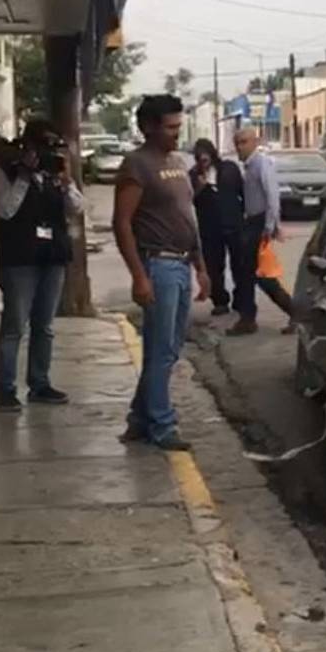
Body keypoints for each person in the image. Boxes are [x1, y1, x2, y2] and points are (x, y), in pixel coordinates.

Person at [114, 95, 210, 451]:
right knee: (159, 350)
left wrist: (201, 266)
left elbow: (188, 216)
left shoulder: (177, 162)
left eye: (178, 127)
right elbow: (122, 223)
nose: (176, 134)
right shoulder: (136, 166)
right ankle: (161, 424)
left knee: (169, 349)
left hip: (182, 264)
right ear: (148, 127)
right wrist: (139, 275)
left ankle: (140, 419)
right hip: (158, 266)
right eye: (170, 128)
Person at [0, 119, 84, 413]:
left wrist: (66, 182)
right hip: (19, 259)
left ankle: (39, 383)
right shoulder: (5, 173)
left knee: (44, 325)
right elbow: (5, 210)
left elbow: (77, 208)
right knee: (15, 325)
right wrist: (25, 176)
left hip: (51, 256)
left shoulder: (54, 174)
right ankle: (4, 389)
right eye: (43, 146)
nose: (47, 154)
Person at [229, 126, 294, 335]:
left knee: (262, 275)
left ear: (255, 142)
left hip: (259, 225)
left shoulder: (261, 163)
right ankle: (247, 319)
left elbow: (272, 197)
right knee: (247, 273)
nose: (240, 147)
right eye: (237, 143)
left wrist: (271, 227)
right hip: (251, 223)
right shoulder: (248, 167)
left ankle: (297, 314)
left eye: (244, 142)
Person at [188, 139, 244, 317]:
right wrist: (200, 187)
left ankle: (241, 299)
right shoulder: (193, 175)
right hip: (209, 227)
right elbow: (188, 199)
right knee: (213, 265)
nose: (204, 158)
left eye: (206, 154)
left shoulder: (228, 168)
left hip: (233, 223)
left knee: (239, 264)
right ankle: (220, 301)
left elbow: (242, 191)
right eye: (200, 155)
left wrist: (244, 215)